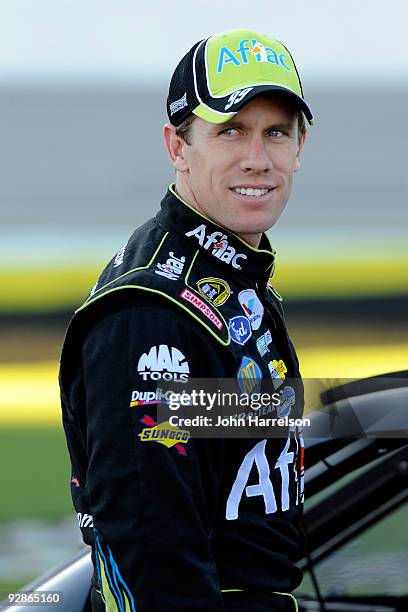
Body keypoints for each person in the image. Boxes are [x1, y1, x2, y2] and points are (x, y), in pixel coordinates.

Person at [60, 28, 313, 612]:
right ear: (178, 147)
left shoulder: (225, 278)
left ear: (301, 147)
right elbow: (151, 555)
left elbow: (227, 437)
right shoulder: (154, 313)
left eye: (276, 132)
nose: (259, 158)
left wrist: (357, 410)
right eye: (230, 131)